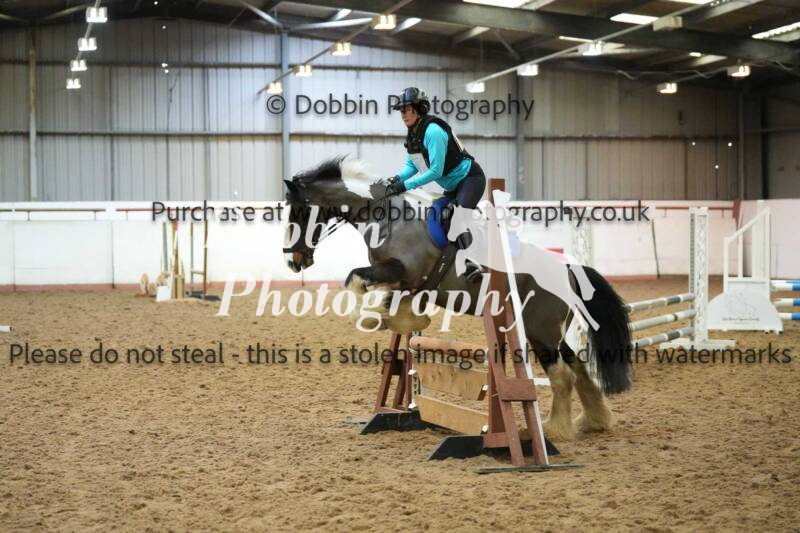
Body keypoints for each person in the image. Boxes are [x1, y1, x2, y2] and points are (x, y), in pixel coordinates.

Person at [385, 87, 486, 281]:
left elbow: (436, 171)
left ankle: (473, 262)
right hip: (454, 187)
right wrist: (396, 179)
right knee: (438, 215)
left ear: (419, 109)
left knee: (454, 215)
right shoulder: (413, 134)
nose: (402, 114)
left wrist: (405, 186)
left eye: (406, 109)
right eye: (401, 110)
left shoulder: (433, 131)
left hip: (471, 179)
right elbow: (412, 166)